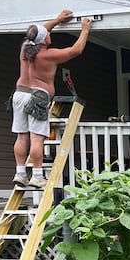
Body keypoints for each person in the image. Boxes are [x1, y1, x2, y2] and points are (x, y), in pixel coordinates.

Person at [11, 10, 91, 188]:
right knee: (37, 138)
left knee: (21, 137)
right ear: (44, 40)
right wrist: (85, 29)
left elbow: (35, 34)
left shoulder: (26, 49)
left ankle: (20, 173)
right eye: (47, 33)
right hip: (37, 97)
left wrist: (57, 20)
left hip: (19, 94)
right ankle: (37, 176)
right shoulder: (48, 54)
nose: (49, 32)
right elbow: (76, 50)